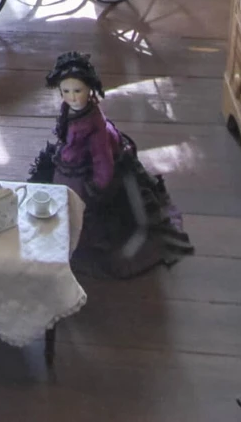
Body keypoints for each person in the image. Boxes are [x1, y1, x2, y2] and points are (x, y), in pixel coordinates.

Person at [29, 51, 193, 278]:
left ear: (90, 90)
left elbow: (102, 159)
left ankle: (73, 233)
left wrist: (97, 186)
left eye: (78, 91)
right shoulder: (70, 110)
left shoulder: (94, 126)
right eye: (66, 91)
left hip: (83, 174)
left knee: (78, 208)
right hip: (69, 163)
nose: (72, 97)